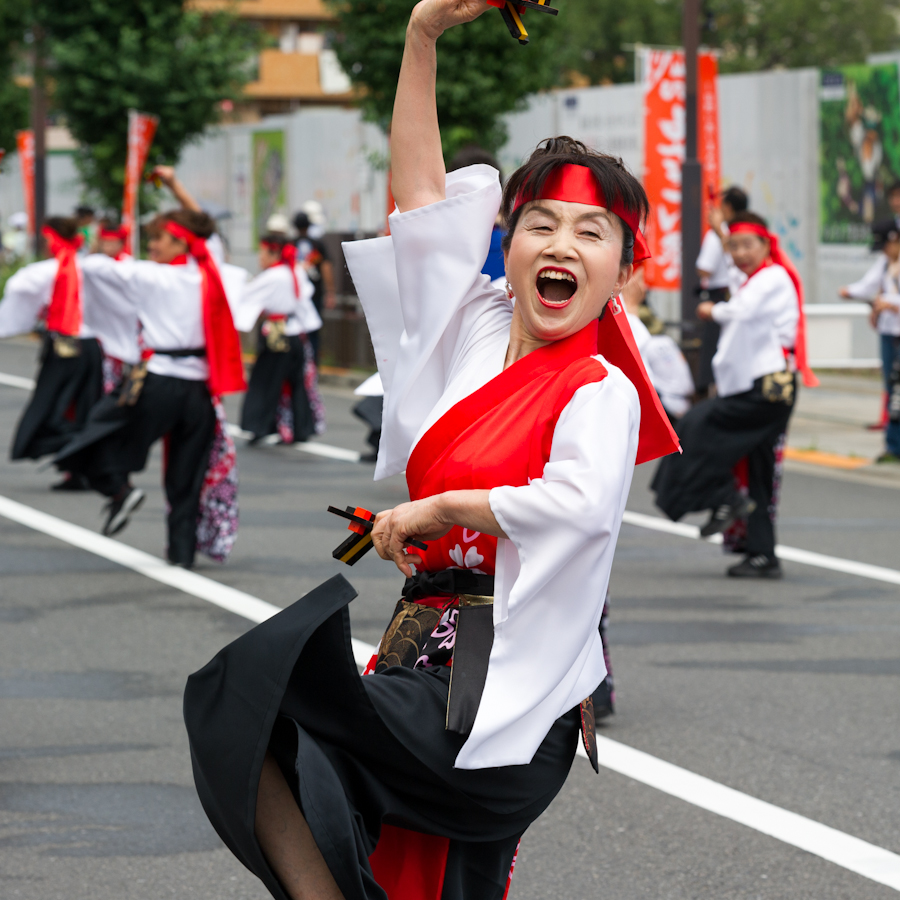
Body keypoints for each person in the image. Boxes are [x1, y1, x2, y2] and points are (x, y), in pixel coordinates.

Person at [183, 2, 679, 898]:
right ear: (508, 239)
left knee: (266, 689)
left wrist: (441, 507)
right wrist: (422, 36)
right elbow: (419, 202)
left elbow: (576, 507)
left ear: (623, 270)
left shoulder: (598, 389)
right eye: (542, 225)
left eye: (591, 232)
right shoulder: (474, 327)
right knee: (258, 721)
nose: (561, 244)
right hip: (418, 661)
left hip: (503, 687)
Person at [54, 166, 248, 567]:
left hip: (157, 384)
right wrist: (176, 183)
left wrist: (87, 236)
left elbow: (90, 268)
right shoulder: (209, 271)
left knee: (92, 435)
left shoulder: (149, 276)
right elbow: (206, 233)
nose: (152, 245)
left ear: (180, 241)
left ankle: (118, 489)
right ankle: (181, 556)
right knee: (185, 476)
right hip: (199, 393)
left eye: (159, 238)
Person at [653, 211, 818, 579]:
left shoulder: (772, 277)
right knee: (758, 468)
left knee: (696, 428)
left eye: (748, 245)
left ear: (766, 245)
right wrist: (720, 233)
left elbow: (741, 311)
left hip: (768, 389)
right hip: (757, 387)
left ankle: (723, 497)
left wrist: (712, 308)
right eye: (734, 246)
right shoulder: (754, 279)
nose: (740, 253)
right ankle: (762, 554)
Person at [0, 217, 105, 469]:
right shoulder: (91, 268)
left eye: (47, 239)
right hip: (93, 347)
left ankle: (79, 445)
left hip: (65, 346)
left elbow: (17, 289)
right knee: (84, 407)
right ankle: (79, 468)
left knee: (49, 409)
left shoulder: (48, 271)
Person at [236, 232, 325, 444]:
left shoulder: (272, 276)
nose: (260, 257)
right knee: (297, 383)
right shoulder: (294, 270)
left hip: (277, 332)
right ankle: (301, 428)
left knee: (265, 380)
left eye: (262, 252)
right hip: (295, 332)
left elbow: (244, 296)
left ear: (273, 252)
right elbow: (306, 293)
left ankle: (260, 427)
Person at [839, 221, 900, 461]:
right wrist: (849, 292)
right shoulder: (886, 263)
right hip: (889, 333)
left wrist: (891, 304)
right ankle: (893, 445)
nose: (884, 250)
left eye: (885, 245)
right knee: (892, 388)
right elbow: (867, 287)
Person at [694, 186, 749, 396]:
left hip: (722, 298)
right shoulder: (746, 232)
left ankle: (714, 392)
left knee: (716, 350)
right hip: (738, 297)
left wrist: (718, 232)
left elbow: (705, 268)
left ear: (726, 207)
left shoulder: (721, 234)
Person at [622, 263, 694, 421]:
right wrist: (631, 308)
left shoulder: (660, 341)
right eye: (639, 279)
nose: (644, 287)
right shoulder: (627, 317)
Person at [293, 210, 336, 362]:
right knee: (313, 331)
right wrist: (330, 292)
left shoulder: (290, 244)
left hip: (295, 295)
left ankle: (297, 365)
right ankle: (312, 366)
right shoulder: (317, 244)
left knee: (295, 329)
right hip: (315, 294)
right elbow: (326, 268)